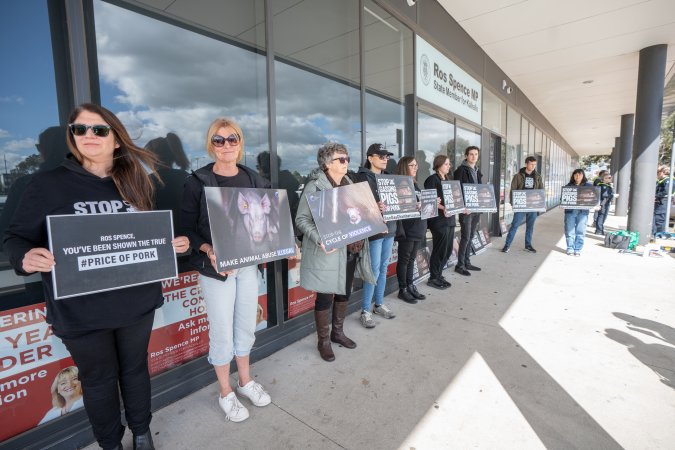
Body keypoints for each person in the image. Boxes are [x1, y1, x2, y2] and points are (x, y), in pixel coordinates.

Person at [3, 103, 190, 450]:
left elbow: (148, 235)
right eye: (80, 129)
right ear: (72, 138)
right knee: (98, 380)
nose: (89, 135)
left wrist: (172, 244)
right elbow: (14, 238)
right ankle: (110, 443)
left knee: (134, 370)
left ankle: (142, 432)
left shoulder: (136, 182)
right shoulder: (45, 184)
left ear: (116, 139)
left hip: (135, 302)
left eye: (99, 129)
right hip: (79, 310)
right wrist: (25, 256)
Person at [181, 118, 275, 423]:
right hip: (216, 271)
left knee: (246, 326)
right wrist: (208, 250)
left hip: (248, 267)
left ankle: (245, 382)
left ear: (240, 142)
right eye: (218, 140)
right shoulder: (197, 182)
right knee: (221, 332)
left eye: (232, 139)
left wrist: (285, 243)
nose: (226, 145)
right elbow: (186, 231)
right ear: (211, 145)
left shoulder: (256, 180)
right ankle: (225, 392)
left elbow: (270, 220)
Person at [295, 143, 375, 362]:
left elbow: (356, 213)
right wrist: (320, 239)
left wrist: (373, 211)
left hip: (351, 248)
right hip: (328, 252)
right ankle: (323, 341)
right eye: (341, 159)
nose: (346, 162)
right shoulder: (315, 186)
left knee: (344, 292)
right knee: (325, 296)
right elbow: (301, 219)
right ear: (327, 163)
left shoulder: (349, 183)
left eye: (347, 158)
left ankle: (337, 333)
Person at [354, 143, 397, 328]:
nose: (385, 159)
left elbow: (398, 201)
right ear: (370, 157)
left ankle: (378, 304)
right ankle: (365, 310)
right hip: (374, 230)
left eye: (387, 156)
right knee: (373, 268)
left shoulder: (389, 177)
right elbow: (355, 206)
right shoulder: (360, 178)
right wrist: (373, 207)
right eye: (381, 156)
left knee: (384, 267)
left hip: (391, 228)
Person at [394, 156, 427, 303]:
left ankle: (410, 285)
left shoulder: (414, 183)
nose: (415, 167)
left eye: (416, 165)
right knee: (404, 260)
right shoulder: (400, 184)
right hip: (408, 228)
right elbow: (399, 206)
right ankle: (403, 289)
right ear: (404, 167)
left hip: (419, 227)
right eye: (412, 165)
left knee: (411, 259)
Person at [424, 154, 455, 289]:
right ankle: (433, 277)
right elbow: (430, 200)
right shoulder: (432, 180)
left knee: (447, 250)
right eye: (447, 164)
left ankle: (439, 274)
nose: (449, 166)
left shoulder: (448, 179)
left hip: (450, 219)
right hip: (438, 221)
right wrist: (443, 207)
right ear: (439, 165)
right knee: (439, 250)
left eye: (449, 164)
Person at [502, 156, 544, 253]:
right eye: (531, 164)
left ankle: (528, 245)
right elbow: (513, 190)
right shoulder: (518, 176)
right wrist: (514, 204)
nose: (533, 166)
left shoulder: (537, 176)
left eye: (534, 165)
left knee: (530, 226)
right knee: (515, 225)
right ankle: (507, 245)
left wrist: (541, 204)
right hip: (520, 205)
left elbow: (541, 190)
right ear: (526, 164)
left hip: (533, 206)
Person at [453, 146, 483, 276]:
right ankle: (460, 265)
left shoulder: (477, 170)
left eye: (476, 154)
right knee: (465, 237)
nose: (474, 156)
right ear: (466, 156)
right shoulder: (461, 170)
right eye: (471, 154)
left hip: (476, 209)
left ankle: (467, 262)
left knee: (471, 236)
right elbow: (456, 190)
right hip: (466, 210)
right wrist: (463, 207)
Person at [563, 169, 591, 256]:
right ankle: (570, 248)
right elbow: (563, 199)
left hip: (583, 212)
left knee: (581, 231)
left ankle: (577, 249)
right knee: (569, 231)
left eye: (579, 174)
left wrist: (596, 205)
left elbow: (593, 198)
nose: (577, 176)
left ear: (583, 176)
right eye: (575, 175)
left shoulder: (589, 186)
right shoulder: (568, 186)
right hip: (570, 212)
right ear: (573, 176)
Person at [653, 165, 673, 235]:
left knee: (659, 221)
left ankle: (659, 235)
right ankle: (655, 235)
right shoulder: (661, 181)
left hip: (663, 203)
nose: (657, 173)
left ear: (663, 172)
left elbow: (666, 191)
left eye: (658, 172)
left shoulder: (669, 180)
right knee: (656, 220)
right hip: (659, 203)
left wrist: (655, 196)